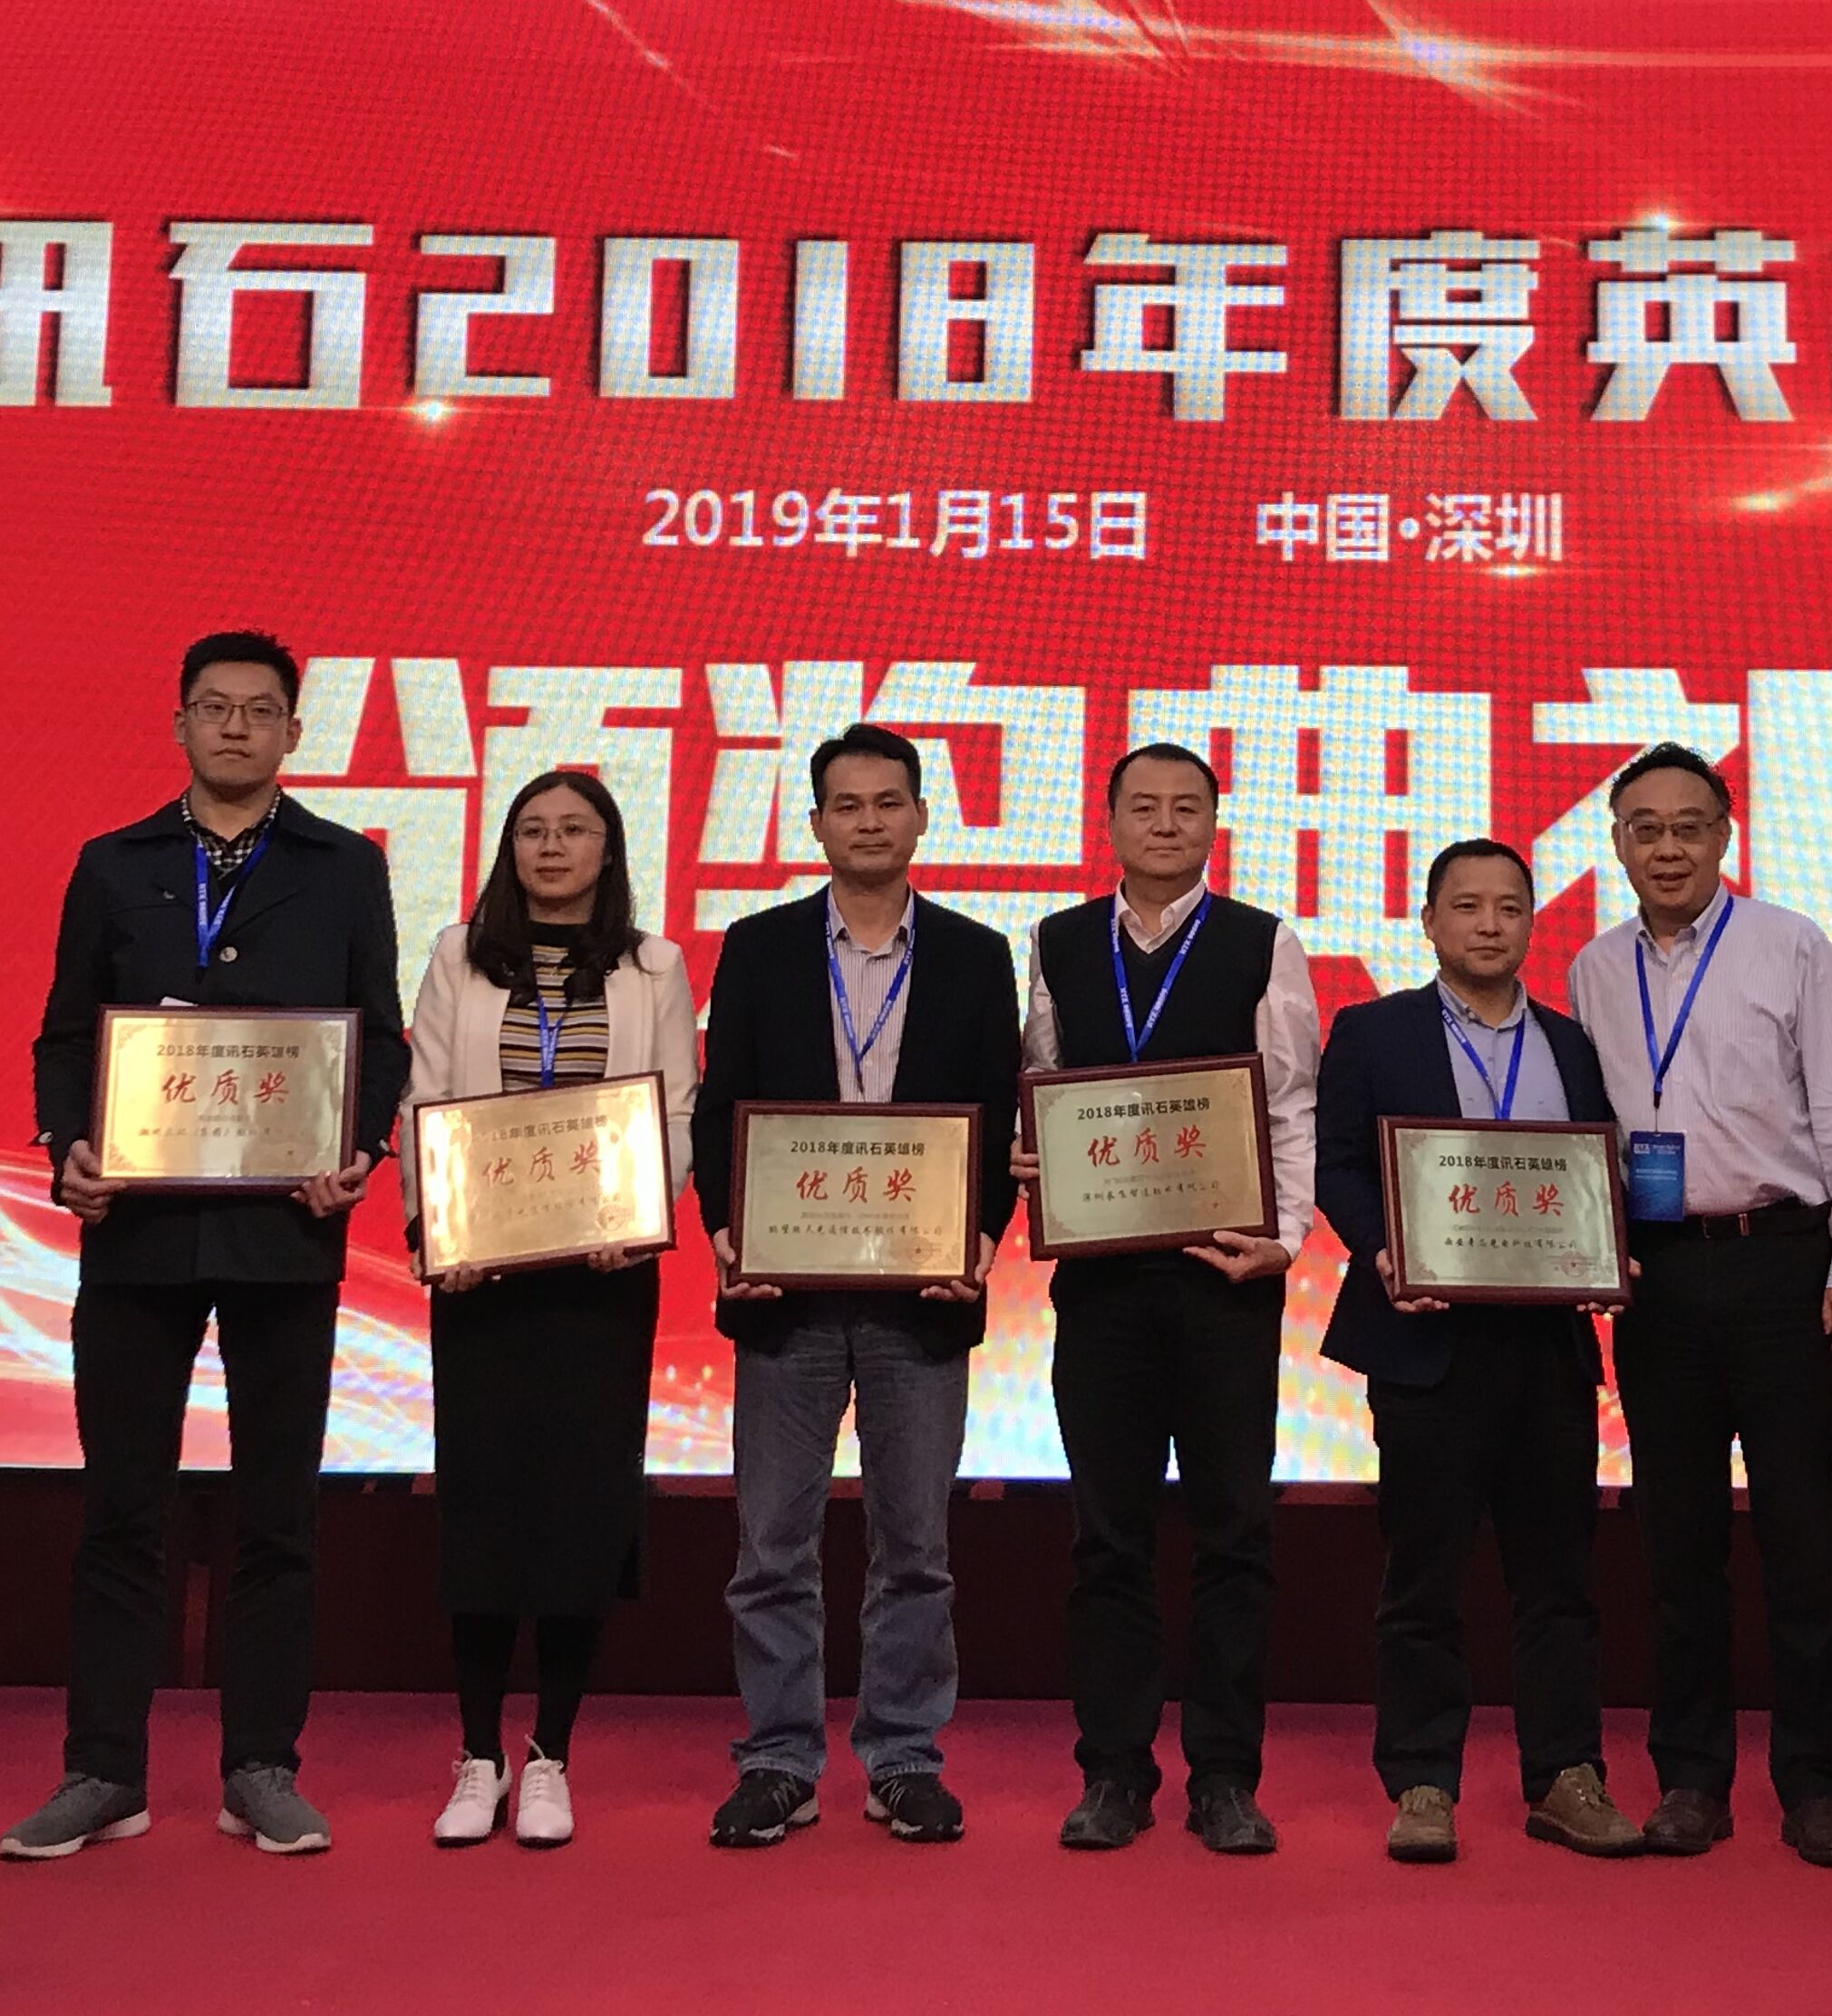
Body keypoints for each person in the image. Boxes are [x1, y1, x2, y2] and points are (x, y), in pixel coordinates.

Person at [2, 630, 411, 1865]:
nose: (236, 727)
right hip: (138, 1232)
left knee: (277, 1515)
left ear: (294, 732)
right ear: (179, 724)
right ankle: (102, 1771)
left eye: (260, 710)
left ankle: (261, 1767)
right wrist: (70, 1143)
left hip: (286, 1230)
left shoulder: (345, 866)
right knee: (122, 1510)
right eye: (215, 708)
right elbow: (66, 1033)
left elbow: (378, 1036)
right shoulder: (113, 863)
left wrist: (359, 1146)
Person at [693, 722, 1022, 1850]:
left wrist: (980, 1240)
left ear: (922, 817)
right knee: (770, 1548)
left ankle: (903, 1758)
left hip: (920, 1301)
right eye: (848, 804)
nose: (870, 821)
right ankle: (778, 1759)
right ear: (817, 822)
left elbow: (997, 1113)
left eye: (890, 802)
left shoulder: (976, 954)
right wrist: (730, 1234)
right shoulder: (760, 946)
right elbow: (720, 1106)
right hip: (784, 1297)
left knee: (915, 1549)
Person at [1565, 742, 1832, 1868]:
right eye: (1645, 829)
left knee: (1803, 1539)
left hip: (1782, 1265)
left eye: (1688, 827)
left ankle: (1817, 1788)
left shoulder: (1791, 945)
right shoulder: (1594, 968)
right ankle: (1692, 1779)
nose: (1668, 848)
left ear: (1724, 837)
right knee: (1678, 1541)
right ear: (1617, 844)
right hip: (1659, 1278)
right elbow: (1590, 1136)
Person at [1314, 838, 1642, 1866]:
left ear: (1532, 922)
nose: (1489, 924)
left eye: (1509, 906)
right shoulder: (1373, 1031)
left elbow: (1596, 1174)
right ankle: (1422, 1781)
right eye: (1467, 906)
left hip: (1546, 1346)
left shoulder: (1573, 1045)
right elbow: (1336, 1164)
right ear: (1429, 922)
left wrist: (1610, 1246)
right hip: (1426, 1343)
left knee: (1560, 1577)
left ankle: (1566, 1776)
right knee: (1423, 1576)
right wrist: (1385, 1250)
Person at [1023, 741, 1323, 1857]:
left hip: (1222, 1280)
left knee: (1234, 1532)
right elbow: (1044, 1083)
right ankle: (1113, 1770)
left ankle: (1227, 1777)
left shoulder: (1260, 940)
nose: (1163, 824)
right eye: (1142, 807)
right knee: (1107, 1536)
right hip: (1101, 1284)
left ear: (1213, 824)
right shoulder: (1058, 942)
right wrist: (1033, 1158)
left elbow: (1290, 1101)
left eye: (1185, 807)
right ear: (1107, 824)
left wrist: (1285, 1240)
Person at [406, 769, 697, 1851]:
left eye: (575, 830)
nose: (552, 846)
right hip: (481, 1279)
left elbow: (676, 1107)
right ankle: (476, 1754)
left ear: (609, 849)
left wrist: (645, 1217)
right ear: (509, 849)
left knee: (579, 1518)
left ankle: (549, 1758)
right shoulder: (458, 955)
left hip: (601, 1280)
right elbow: (426, 1094)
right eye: (532, 830)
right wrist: (437, 1233)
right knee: (484, 1516)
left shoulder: (653, 964)